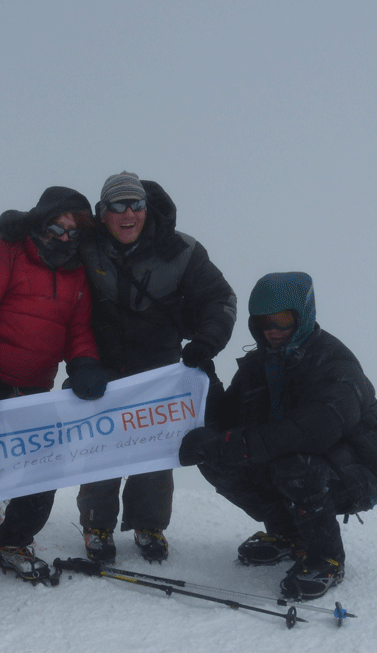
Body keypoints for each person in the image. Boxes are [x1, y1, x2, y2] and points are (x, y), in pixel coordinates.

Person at [178, 272, 377, 600]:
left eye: (282, 318)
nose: (272, 329)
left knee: (295, 466)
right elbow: (229, 420)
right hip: (300, 455)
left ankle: (326, 557)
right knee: (215, 457)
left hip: (361, 464)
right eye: (263, 320)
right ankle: (289, 535)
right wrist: (205, 379)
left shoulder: (334, 365)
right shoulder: (260, 364)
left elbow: (314, 431)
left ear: (304, 314)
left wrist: (234, 445)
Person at [74, 172, 237, 563]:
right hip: (100, 365)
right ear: (102, 212)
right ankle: (96, 522)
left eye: (136, 204)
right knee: (101, 444)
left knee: (157, 446)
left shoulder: (181, 250)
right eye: (117, 205)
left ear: (147, 209)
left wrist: (207, 341)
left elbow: (220, 298)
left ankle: (149, 524)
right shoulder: (85, 246)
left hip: (160, 367)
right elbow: (40, 251)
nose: (128, 213)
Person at [0, 186, 108, 583]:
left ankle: (13, 544)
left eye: (75, 230)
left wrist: (85, 363)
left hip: (35, 387)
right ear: (41, 221)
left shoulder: (76, 273)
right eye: (58, 225)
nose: (65, 237)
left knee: (45, 469)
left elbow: (79, 329)